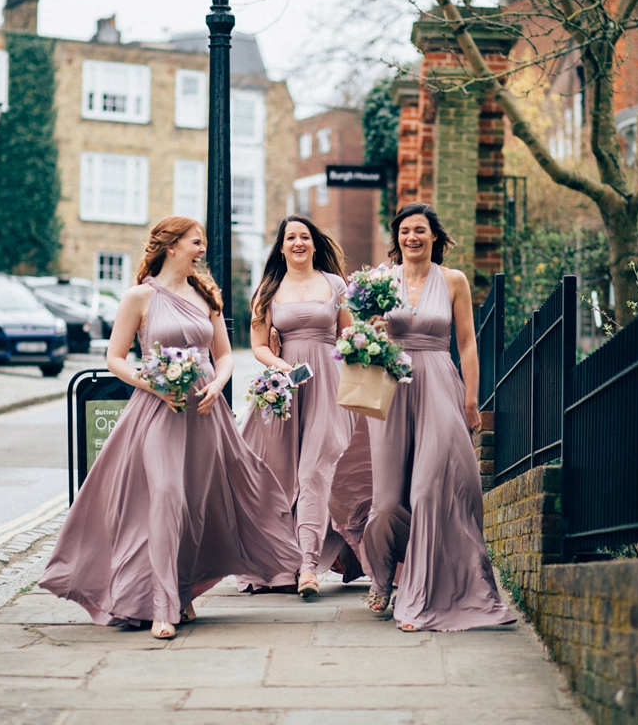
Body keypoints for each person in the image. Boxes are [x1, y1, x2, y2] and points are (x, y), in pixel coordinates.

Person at [39, 217, 301, 640]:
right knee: (165, 496)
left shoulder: (205, 296)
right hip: (158, 409)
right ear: (171, 246)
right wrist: (154, 386)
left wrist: (217, 383)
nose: (202, 250)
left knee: (195, 507)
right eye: (196, 242)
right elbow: (115, 358)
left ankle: (180, 590)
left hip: (203, 413)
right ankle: (161, 606)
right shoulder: (139, 296)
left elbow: (224, 353)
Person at [362, 202, 516, 632]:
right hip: (391, 387)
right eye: (405, 231)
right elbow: (355, 333)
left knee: (432, 491)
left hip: (439, 386)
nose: (412, 237)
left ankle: (421, 595)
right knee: (388, 502)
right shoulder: (379, 281)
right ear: (397, 238)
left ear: (435, 237)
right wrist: (370, 329)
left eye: (421, 231)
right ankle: (381, 577)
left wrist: (471, 399)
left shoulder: (453, 281)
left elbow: (467, 344)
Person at [240, 216, 369, 596]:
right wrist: (284, 367)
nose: (298, 243)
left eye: (305, 237)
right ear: (281, 247)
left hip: (329, 386)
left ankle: (309, 566)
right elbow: (259, 345)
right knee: (279, 476)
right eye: (290, 237)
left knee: (317, 470)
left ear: (315, 244)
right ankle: (277, 561)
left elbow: (348, 333)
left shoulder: (334, 284)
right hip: (288, 387)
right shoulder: (268, 290)